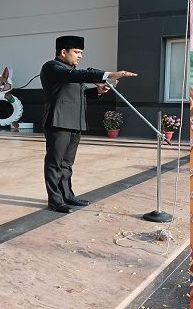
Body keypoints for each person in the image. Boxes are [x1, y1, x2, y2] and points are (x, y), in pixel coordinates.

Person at [40, 35, 137, 213]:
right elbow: (74, 77)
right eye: (76, 52)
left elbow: (81, 92)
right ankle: (55, 200)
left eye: (81, 53)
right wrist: (108, 74)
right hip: (58, 121)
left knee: (67, 164)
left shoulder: (72, 72)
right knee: (55, 163)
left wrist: (98, 90)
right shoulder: (52, 67)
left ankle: (67, 196)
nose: (80, 56)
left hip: (75, 121)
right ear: (63, 52)